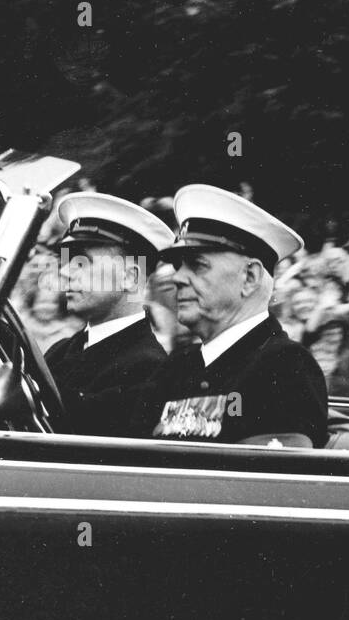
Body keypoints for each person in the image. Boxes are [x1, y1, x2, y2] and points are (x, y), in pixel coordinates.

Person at [130, 185, 328, 447]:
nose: (177, 278)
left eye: (197, 265)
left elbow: (270, 485)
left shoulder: (286, 368)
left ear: (250, 277)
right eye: (178, 265)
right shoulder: (176, 367)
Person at [45, 192, 174, 436]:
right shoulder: (61, 349)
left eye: (82, 262)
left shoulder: (147, 368)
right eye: (67, 260)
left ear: (130, 277)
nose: (66, 272)